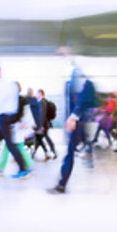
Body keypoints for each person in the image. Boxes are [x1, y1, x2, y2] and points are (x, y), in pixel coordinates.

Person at [50, 63, 98, 194]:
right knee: (71, 152)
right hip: (76, 124)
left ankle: (62, 184)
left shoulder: (86, 84)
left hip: (79, 123)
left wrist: (74, 117)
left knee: (70, 153)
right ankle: (87, 156)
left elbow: (83, 102)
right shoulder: (72, 82)